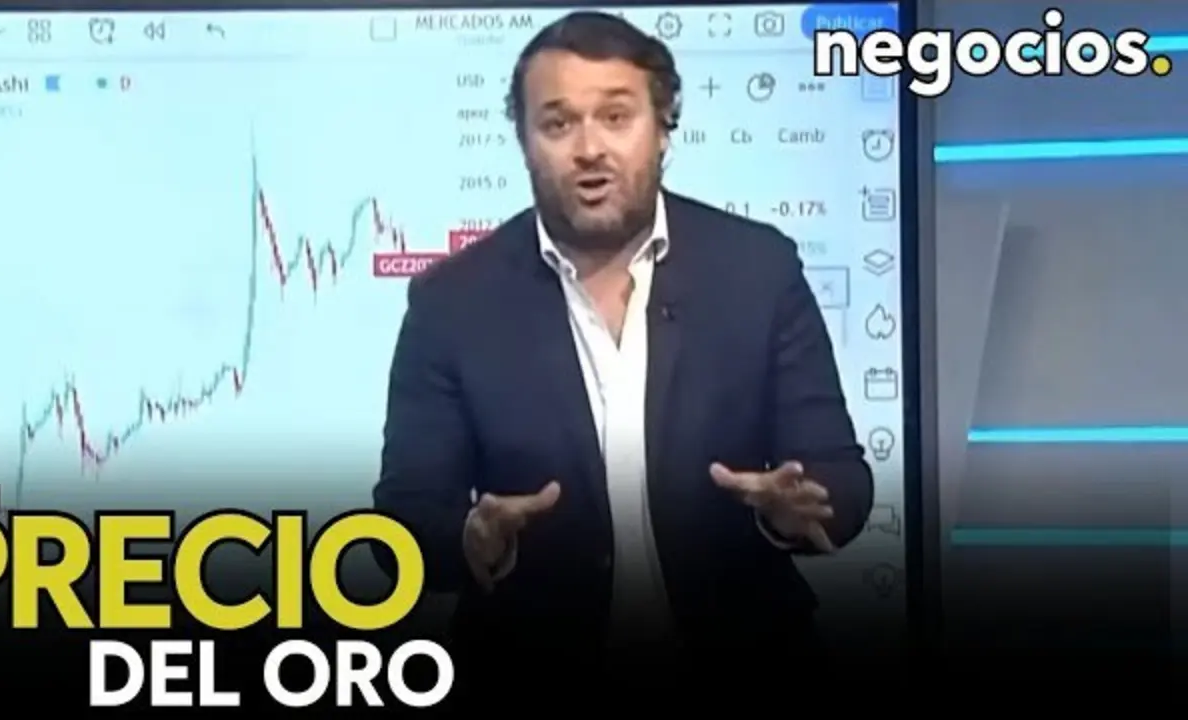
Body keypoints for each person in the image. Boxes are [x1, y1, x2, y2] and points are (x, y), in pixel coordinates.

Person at [373, 10, 873, 691]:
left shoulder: (759, 270)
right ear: (524, 143)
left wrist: (795, 511)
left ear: (663, 128)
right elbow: (403, 520)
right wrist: (468, 539)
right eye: (557, 124)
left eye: (616, 117)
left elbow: (843, 480)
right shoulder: (451, 302)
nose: (589, 149)